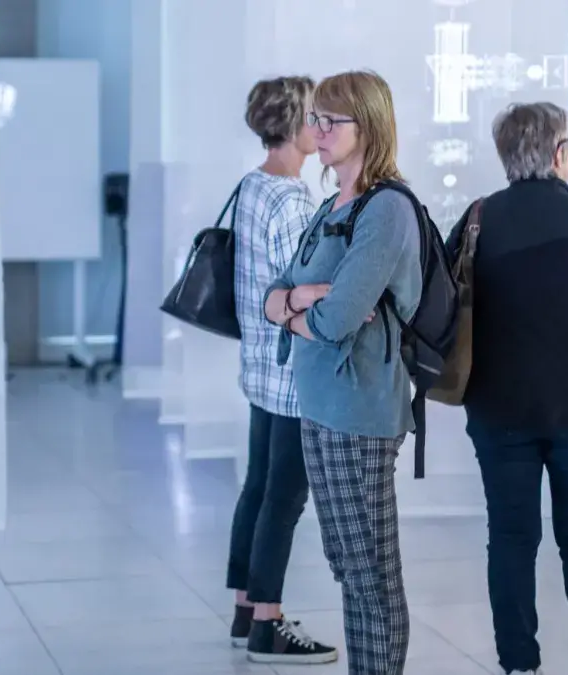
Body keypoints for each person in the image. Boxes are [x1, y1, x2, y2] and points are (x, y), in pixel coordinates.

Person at [447, 102, 568, 675]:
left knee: (510, 539)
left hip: (498, 411)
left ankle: (518, 663)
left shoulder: (478, 220)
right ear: (559, 152)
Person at [264, 70, 421, 675]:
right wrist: (303, 299)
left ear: (370, 126)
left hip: (360, 413)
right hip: (320, 405)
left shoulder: (387, 210)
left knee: (370, 574)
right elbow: (275, 294)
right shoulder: (333, 204)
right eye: (316, 119)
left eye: (332, 121)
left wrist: (299, 309)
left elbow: (337, 319)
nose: (318, 131)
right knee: (346, 563)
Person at [227, 75, 338, 665]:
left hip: (258, 367)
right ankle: (268, 623)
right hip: (291, 371)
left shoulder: (252, 186)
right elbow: (307, 286)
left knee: (259, 486)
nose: (319, 129)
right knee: (284, 497)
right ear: (295, 124)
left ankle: (247, 607)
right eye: (314, 118)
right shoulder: (292, 199)